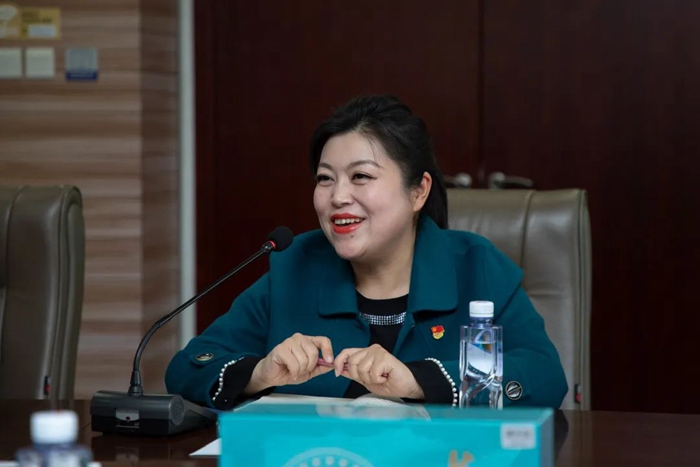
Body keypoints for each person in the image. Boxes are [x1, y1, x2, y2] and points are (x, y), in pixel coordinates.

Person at [165, 95, 567, 410]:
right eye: (325, 179)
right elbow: (188, 367)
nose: (338, 196)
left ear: (419, 191)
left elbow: (545, 376)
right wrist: (261, 372)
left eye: (360, 176)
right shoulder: (295, 265)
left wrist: (419, 381)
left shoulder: (476, 266)